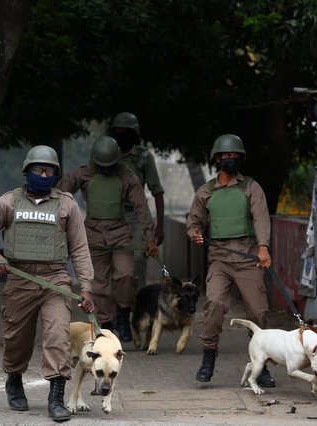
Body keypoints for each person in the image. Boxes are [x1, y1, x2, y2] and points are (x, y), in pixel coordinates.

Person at [0, 145, 95, 423]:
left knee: (57, 336)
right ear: (27, 172)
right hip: (20, 278)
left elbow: (80, 249)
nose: (43, 174)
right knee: (17, 340)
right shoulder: (8, 202)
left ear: (55, 174)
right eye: (38, 169)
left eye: (49, 170)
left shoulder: (66, 204)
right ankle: (14, 379)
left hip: (55, 280)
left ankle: (56, 397)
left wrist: (86, 287)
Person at [186, 134, 275, 387]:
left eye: (236, 156)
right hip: (220, 259)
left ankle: (263, 363)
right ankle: (208, 356)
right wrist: (195, 234)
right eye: (227, 156)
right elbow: (193, 222)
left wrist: (264, 248)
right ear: (217, 159)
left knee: (258, 311)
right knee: (214, 303)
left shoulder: (250, 187)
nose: (231, 159)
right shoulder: (206, 191)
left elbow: (261, 218)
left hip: (248, 257)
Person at [56, 136, 158, 343]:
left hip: (120, 231)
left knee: (127, 276)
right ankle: (107, 324)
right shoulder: (85, 173)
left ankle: (123, 314)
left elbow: (142, 208)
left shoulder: (127, 176)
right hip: (93, 232)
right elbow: (60, 191)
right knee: (99, 284)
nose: (106, 169)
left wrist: (150, 238)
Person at [110, 112, 165, 294]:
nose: (121, 134)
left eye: (125, 131)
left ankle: (140, 301)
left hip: (136, 214)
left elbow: (157, 192)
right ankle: (114, 309)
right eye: (117, 131)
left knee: (139, 257)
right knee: (110, 258)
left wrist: (160, 227)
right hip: (111, 214)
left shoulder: (143, 157)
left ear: (134, 133)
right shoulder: (108, 154)